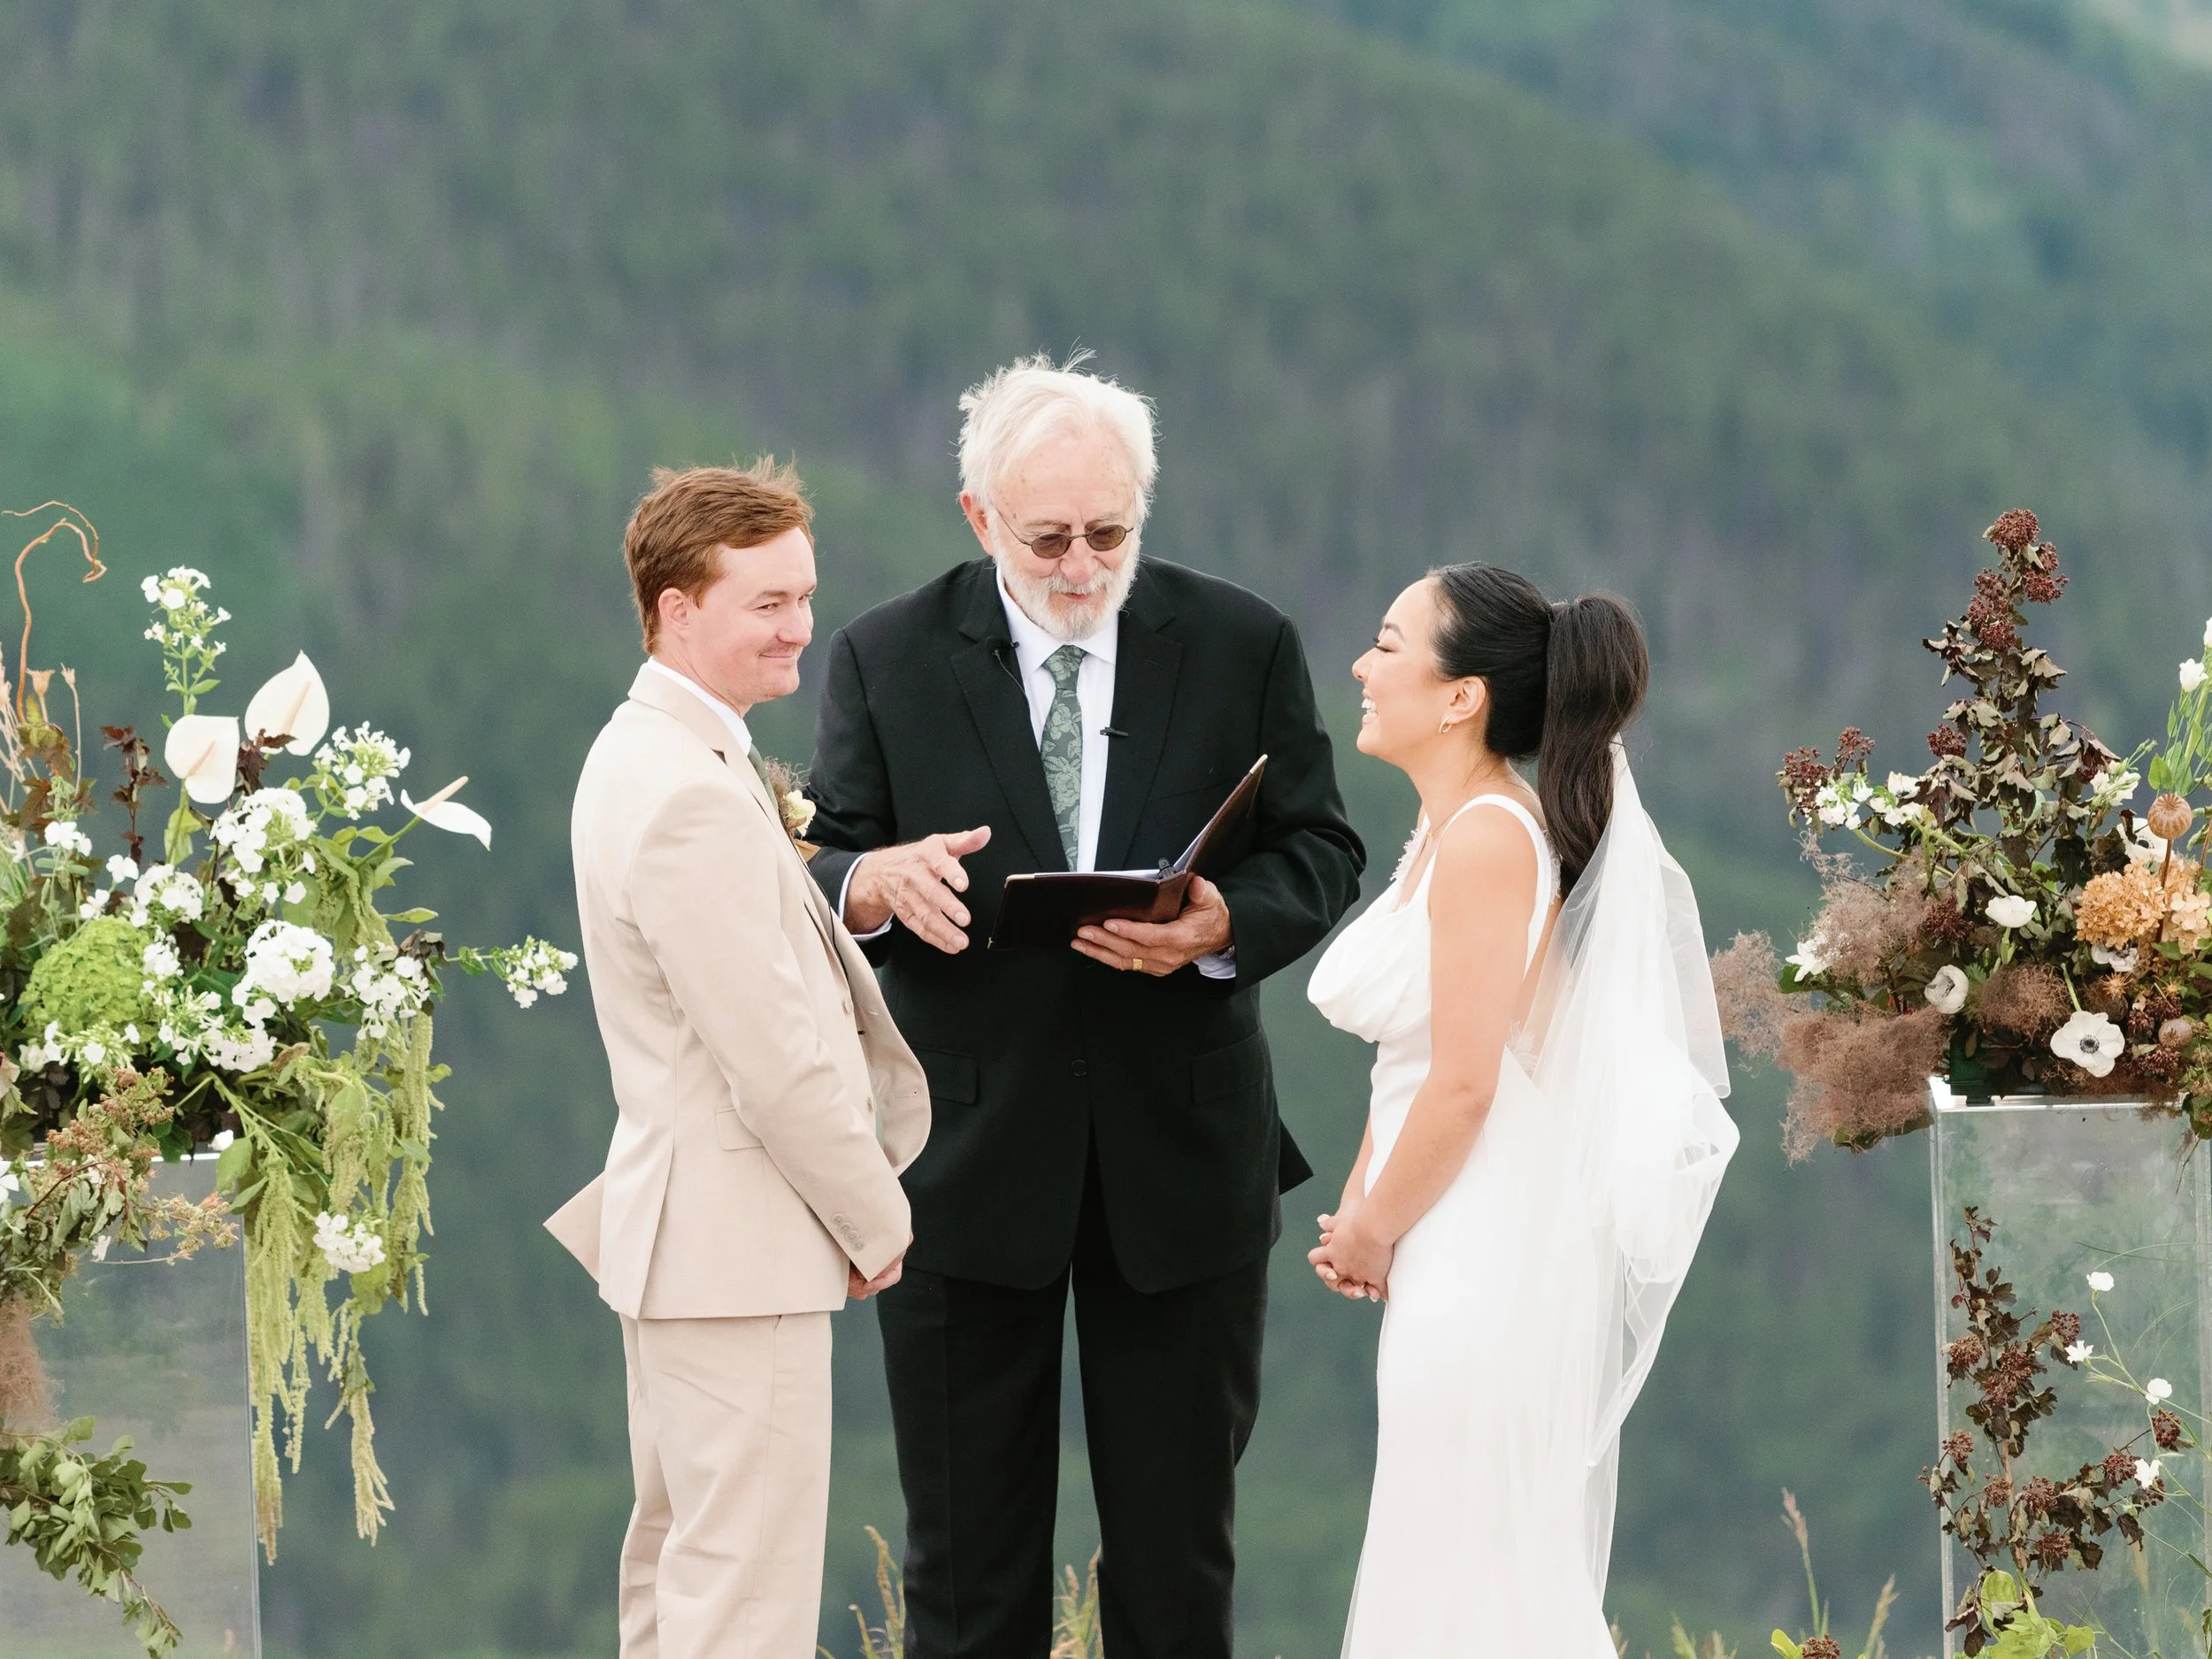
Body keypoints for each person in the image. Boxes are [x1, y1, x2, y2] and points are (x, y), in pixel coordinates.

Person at [803, 354, 1365, 1659]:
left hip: (1184, 1161)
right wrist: (871, 884)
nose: (1078, 563)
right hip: (960, 1162)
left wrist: (1228, 924)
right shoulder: (884, 655)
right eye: (1046, 535)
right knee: (965, 1574)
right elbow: (823, 855)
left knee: (1178, 1571)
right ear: (976, 516)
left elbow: (1321, 848)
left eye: (1109, 532)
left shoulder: (1242, 639)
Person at [1306, 565, 1739, 1655]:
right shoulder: (1451, 830)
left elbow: (1465, 1083)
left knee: (1479, 1567)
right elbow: (1422, 1050)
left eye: (1389, 643)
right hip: (1448, 1234)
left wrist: (1371, 1226)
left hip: (1484, 1248)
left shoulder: (1491, 837)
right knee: (1449, 1553)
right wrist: (1368, 1203)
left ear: (1460, 696)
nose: (1363, 665)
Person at [544, 460, 929, 1659]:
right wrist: (876, 1213)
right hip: (736, 1246)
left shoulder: (655, 754)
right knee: (742, 1602)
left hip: (690, 1241)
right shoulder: (686, 791)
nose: (801, 627)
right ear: (676, 608)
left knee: (682, 1579)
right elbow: (773, 1055)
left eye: (805, 595)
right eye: (767, 601)